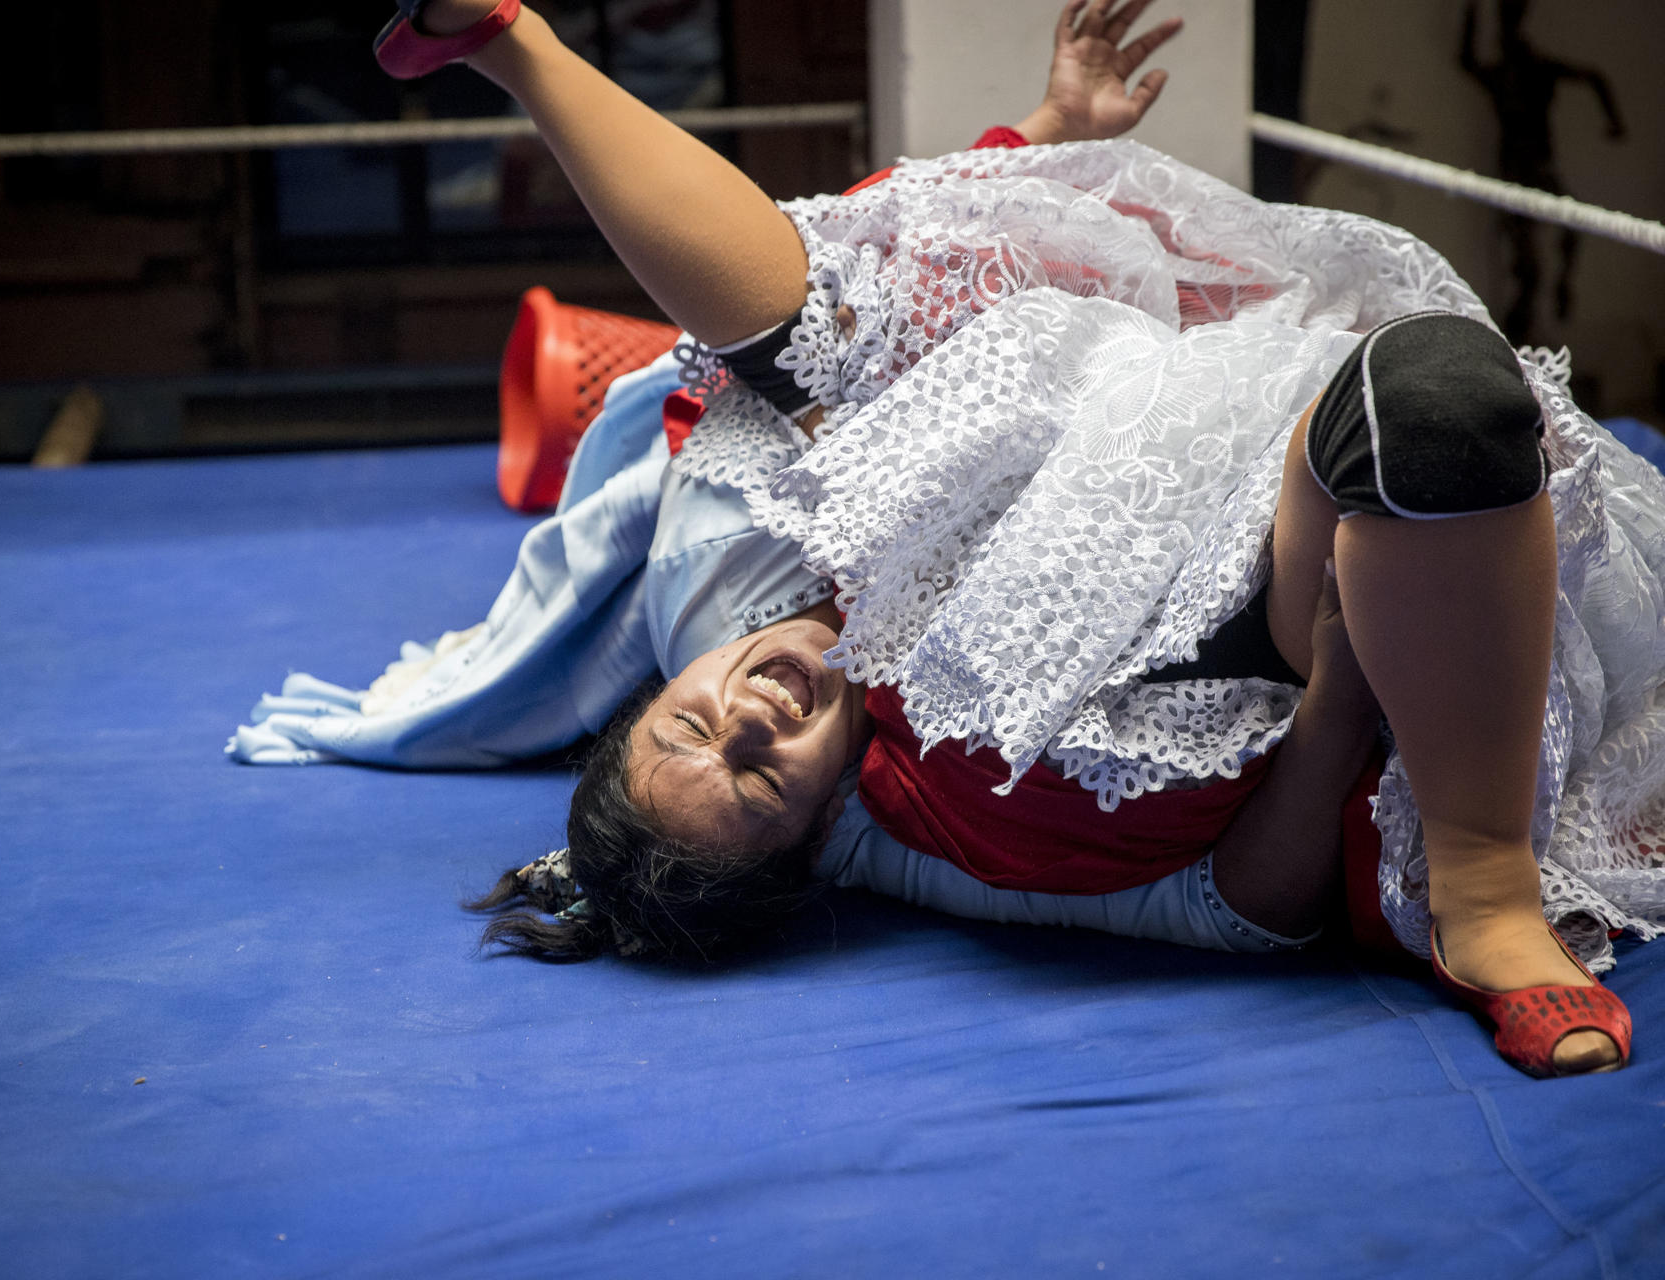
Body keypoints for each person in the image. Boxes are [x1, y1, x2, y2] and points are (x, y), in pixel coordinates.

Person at [235, 1, 1665, 1078]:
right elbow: (1237, 911)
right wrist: (1345, 697)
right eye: (754, 778)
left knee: (797, 346)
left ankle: (505, 35)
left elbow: (860, 280)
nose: (750, 713)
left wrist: (1039, 147)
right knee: (1441, 403)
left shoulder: (719, 577)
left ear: (665, 684)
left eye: (690, 722)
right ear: (819, 836)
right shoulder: (927, 833)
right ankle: (1486, 892)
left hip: (1110, 399)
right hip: (1257, 595)